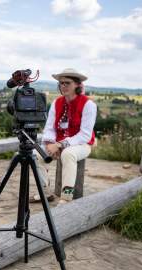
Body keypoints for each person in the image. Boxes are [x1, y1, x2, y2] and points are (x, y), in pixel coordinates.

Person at [34, 68, 97, 204]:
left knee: (68, 154)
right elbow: (49, 128)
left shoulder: (88, 104)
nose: (63, 86)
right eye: (61, 83)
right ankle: (45, 192)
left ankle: (66, 198)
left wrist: (61, 145)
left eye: (67, 83)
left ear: (77, 85)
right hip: (57, 143)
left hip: (82, 145)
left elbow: (84, 135)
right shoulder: (57, 103)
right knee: (35, 154)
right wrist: (50, 144)